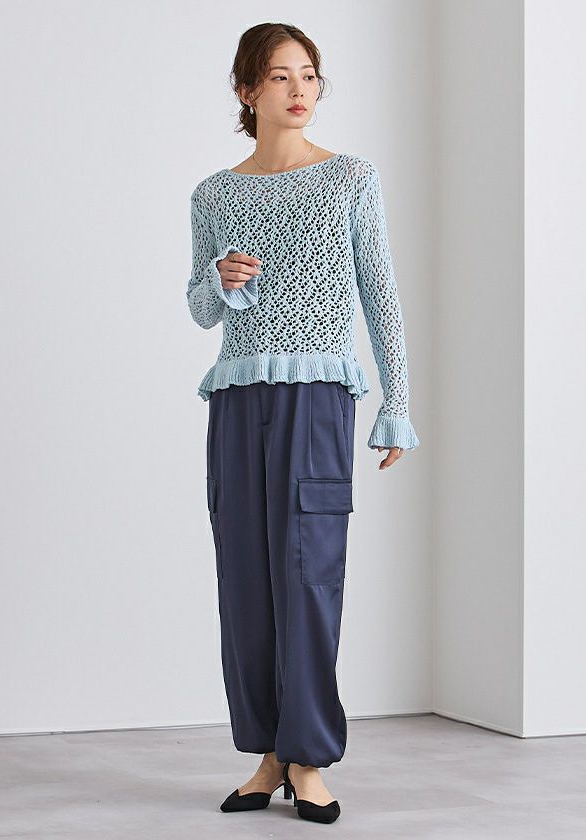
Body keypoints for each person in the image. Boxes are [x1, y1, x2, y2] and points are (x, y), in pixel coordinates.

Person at [186, 22, 419, 825]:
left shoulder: (350, 177)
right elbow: (200, 309)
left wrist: (397, 402)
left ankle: (310, 756)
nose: (299, 90)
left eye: (310, 75)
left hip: (318, 399)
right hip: (237, 399)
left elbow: (379, 291)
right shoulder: (213, 194)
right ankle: (268, 753)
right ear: (247, 90)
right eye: (280, 76)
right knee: (246, 580)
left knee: (309, 576)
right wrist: (220, 280)